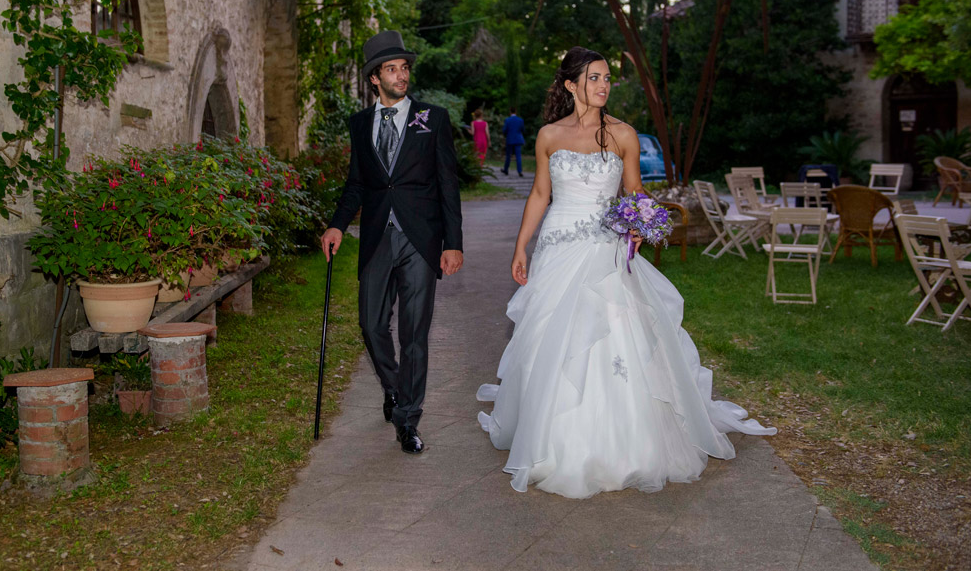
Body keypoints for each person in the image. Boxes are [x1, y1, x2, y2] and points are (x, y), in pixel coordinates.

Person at [476, 46, 775, 498]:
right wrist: (521, 246)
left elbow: (634, 192)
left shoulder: (623, 135)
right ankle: (546, 433)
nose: (603, 85)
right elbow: (540, 193)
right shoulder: (548, 136)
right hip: (558, 246)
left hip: (604, 246)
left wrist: (638, 225)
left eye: (606, 78)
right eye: (594, 78)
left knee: (614, 330)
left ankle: (620, 442)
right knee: (548, 333)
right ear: (571, 85)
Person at [322, 30, 464, 455]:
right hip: (377, 237)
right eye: (392, 69)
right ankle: (394, 386)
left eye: (404, 68)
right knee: (370, 323)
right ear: (374, 79)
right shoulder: (359, 124)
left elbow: (448, 185)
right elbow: (357, 185)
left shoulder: (433, 119)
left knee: (414, 334)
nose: (401, 75)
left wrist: (453, 243)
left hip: (421, 239)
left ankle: (408, 420)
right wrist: (335, 225)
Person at [501, 108, 525, 177]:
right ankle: (519, 171)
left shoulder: (507, 120)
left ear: (510, 112)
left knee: (508, 155)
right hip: (518, 139)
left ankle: (506, 169)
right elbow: (523, 129)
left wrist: (506, 135)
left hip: (510, 139)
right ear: (516, 111)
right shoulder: (520, 120)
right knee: (518, 156)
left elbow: (504, 130)